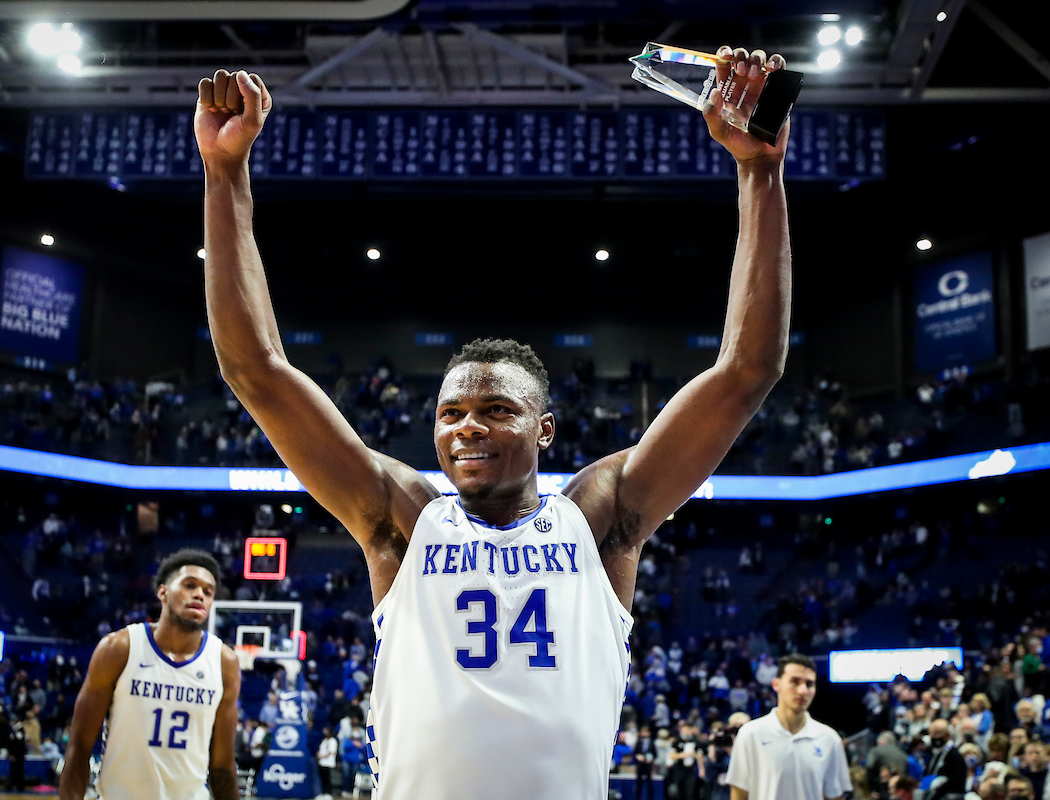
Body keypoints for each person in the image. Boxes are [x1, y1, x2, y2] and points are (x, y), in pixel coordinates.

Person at [197, 39, 792, 799]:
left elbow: (747, 372)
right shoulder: (401, 517)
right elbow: (257, 373)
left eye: (494, 411)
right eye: (449, 413)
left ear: (544, 429)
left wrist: (759, 173)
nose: (465, 428)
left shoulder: (601, 514)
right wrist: (224, 177)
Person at [58, 550, 241, 800]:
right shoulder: (119, 649)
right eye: (189, 586)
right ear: (163, 592)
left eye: (208, 592)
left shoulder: (224, 663)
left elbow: (222, 765)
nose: (200, 594)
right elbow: (79, 746)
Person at [726, 654, 852, 800]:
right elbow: (739, 794)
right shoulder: (750, 734)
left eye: (809, 684)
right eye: (794, 682)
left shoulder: (829, 739)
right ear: (776, 684)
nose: (803, 690)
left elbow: (835, 796)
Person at [924, 719, 969, 800]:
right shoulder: (933, 752)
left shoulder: (955, 756)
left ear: (947, 735)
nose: (933, 736)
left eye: (937, 733)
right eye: (931, 733)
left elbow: (957, 782)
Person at [317, 726, 338, 800]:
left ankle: (328, 793)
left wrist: (322, 756)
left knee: (327, 779)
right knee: (323, 779)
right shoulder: (324, 740)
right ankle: (323, 793)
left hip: (328, 763)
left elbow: (331, 751)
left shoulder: (332, 740)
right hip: (321, 762)